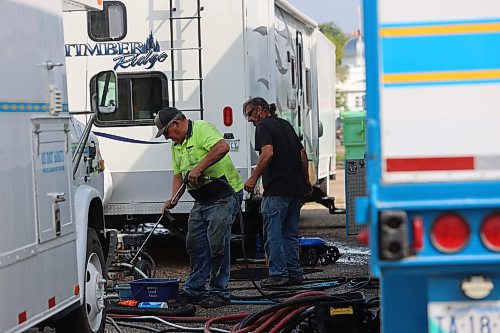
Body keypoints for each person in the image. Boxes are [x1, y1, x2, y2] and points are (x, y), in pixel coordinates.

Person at [154, 106, 243, 308]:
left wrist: (199, 167)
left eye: (166, 132)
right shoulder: (176, 146)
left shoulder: (202, 129)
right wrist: (174, 198)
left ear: (175, 124)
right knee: (195, 243)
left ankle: (220, 291)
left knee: (217, 244)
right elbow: (178, 174)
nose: (167, 138)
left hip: (224, 194)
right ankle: (195, 290)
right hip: (203, 199)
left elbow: (222, 147)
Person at [243, 97, 312, 287]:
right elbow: (302, 154)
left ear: (260, 110)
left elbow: (268, 153)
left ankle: (278, 274)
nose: (249, 119)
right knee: (289, 234)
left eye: (249, 114)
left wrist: (252, 178)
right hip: (295, 188)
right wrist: (305, 180)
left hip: (277, 189)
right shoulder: (285, 124)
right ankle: (295, 273)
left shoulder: (263, 127)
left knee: (273, 234)